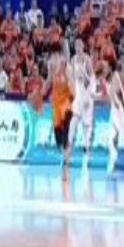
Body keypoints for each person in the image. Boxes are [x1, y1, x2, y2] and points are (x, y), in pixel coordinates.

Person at [65, 38, 97, 171]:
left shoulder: (87, 60)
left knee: (86, 128)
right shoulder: (73, 60)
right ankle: (68, 155)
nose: (78, 48)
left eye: (80, 46)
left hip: (87, 96)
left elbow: (93, 79)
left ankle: (87, 155)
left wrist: (90, 94)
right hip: (78, 96)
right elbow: (72, 79)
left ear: (83, 47)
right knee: (73, 125)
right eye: (76, 46)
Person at [42, 44, 73, 179]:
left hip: (67, 105)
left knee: (65, 136)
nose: (53, 59)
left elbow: (72, 84)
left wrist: (76, 99)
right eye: (52, 56)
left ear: (60, 56)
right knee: (58, 141)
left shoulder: (67, 67)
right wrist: (40, 95)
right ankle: (65, 158)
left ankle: (66, 166)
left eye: (56, 56)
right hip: (56, 106)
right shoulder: (51, 66)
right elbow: (48, 82)